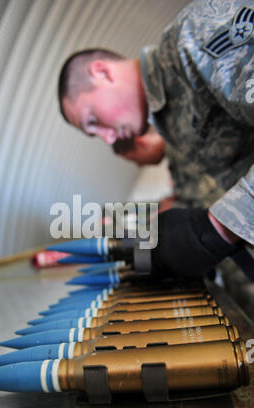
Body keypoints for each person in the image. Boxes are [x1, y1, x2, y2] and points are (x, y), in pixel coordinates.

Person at [57, 0, 254, 281]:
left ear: (101, 73)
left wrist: (216, 230)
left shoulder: (195, 34)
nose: (107, 137)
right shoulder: (171, 117)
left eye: (93, 121)